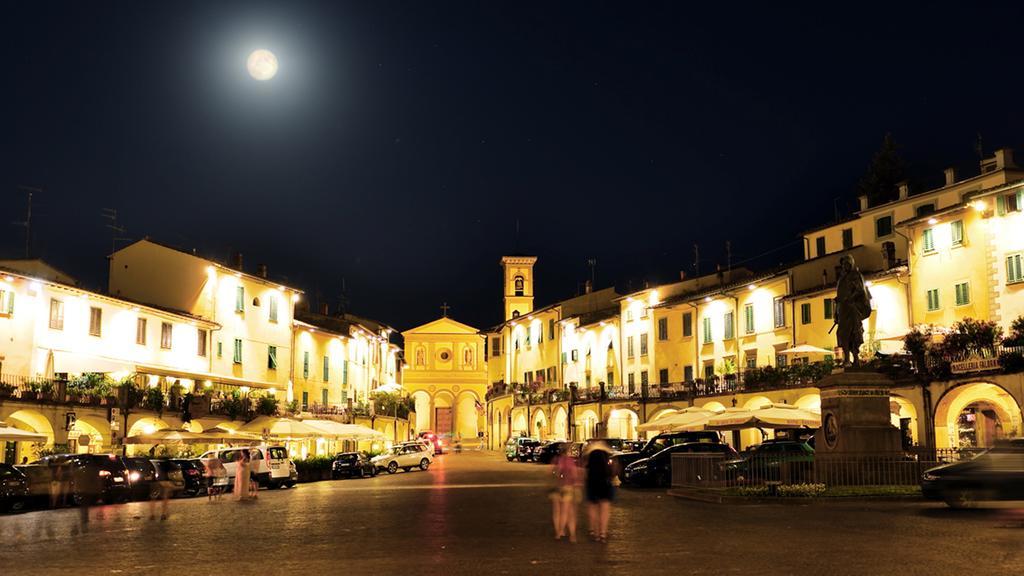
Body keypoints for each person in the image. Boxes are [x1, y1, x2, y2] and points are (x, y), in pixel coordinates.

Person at [834, 254, 872, 367]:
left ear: (851, 264)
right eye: (843, 264)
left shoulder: (855, 275)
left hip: (852, 308)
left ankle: (855, 359)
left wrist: (850, 297)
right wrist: (836, 312)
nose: (844, 266)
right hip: (843, 310)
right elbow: (839, 295)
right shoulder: (841, 279)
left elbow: (860, 290)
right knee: (842, 334)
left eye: (846, 264)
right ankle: (847, 359)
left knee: (854, 333)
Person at [584, 442, 616, 543]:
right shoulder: (606, 456)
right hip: (605, 483)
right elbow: (612, 471)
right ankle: (603, 533)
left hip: (592, 482)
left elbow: (586, 470)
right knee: (605, 509)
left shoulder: (591, 456)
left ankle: (595, 533)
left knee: (593, 508)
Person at [549, 444, 580, 542]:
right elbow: (574, 474)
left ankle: (558, 532)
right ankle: (572, 535)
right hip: (568, 487)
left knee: (557, 512)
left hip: (557, 487)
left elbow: (552, 472)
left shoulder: (556, 460)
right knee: (568, 512)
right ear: (568, 451)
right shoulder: (570, 461)